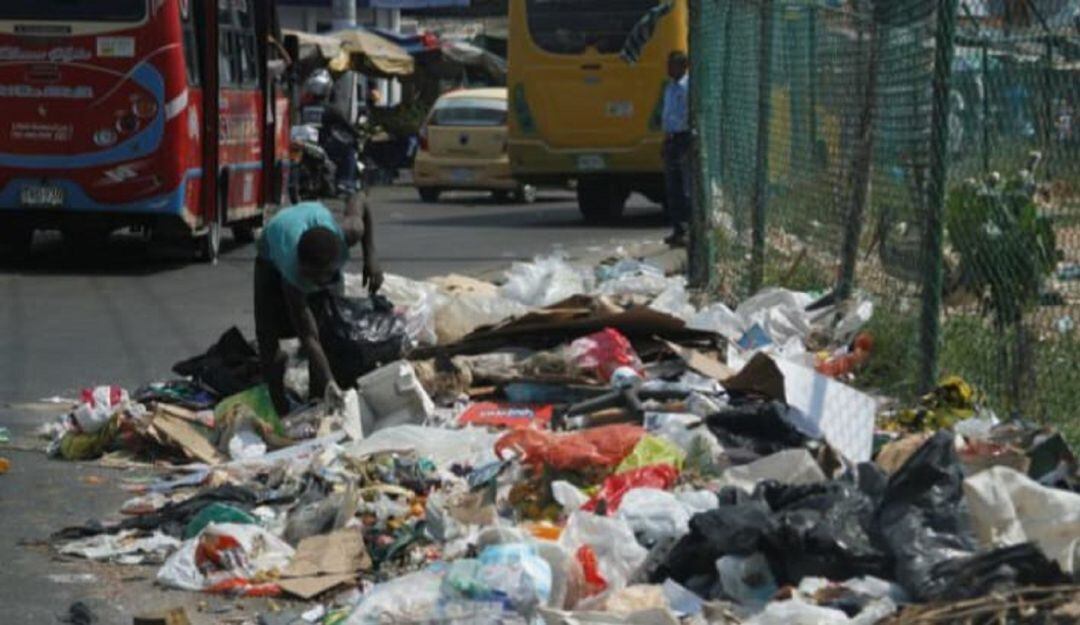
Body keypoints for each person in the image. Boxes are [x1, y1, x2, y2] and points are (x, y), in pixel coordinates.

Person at [254, 194, 383, 415]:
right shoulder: (292, 271)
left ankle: (318, 398)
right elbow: (309, 336)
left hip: (313, 220)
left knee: (332, 327)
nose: (313, 284)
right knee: (268, 333)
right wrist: (331, 383)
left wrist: (370, 256)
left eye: (319, 278)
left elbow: (360, 199)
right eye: (310, 277)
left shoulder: (349, 232)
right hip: (269, 258)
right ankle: (278, 404)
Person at [302, 69, 363, 194]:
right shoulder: (330, 109)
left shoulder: (303, 107)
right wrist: (357, 134)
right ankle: (345, 182)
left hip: (305, 143)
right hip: (324, 144)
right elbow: (346, 125)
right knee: (349, 151)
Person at [661, 51, 691, 248]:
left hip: (685, 138)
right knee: (673, 188)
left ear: (682, 66)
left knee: (686, 186)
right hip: (671, 139)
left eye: (672, 65)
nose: (668, 69)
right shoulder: (670, 88)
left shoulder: (688, 88)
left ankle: (689, 229)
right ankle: (678, 230)